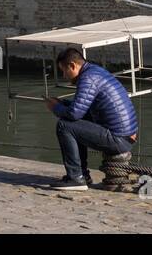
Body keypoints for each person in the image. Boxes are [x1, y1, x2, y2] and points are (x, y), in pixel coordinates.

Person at [42, 48, 138, 191]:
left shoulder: (88, 79)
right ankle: (82, 175)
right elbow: (81, 108)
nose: (64, 76)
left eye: (64, 70)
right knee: (72, 123)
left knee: (64, 125)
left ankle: (76, 178)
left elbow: (74, 115)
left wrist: (55, 108)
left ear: (73, 66)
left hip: (119, 139)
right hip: (126, 135)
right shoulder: (94, 71)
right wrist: (62, 103)